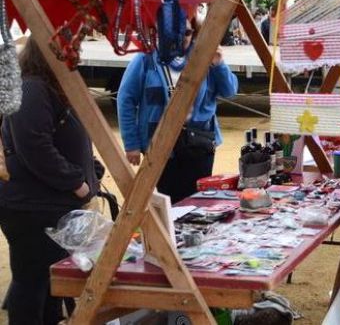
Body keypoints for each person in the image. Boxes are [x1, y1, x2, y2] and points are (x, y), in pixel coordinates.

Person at [0, 37, 99, 324]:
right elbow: (34, 145)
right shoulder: (32, 87)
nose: (76, 56)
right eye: (71, 50)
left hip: (47, 203)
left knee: (49, 282)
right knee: (32, 282)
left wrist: (91, 170)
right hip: (31, 207)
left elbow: (64, 137)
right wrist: (75, 180)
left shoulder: (47, 86)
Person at [118, 16, 238, 203]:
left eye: (187, 32)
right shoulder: (145, 59)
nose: (181, 37)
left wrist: (219, 65)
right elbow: (125, 100)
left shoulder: (204, 56)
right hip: (159, 143)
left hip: (199, 142)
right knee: (169, 201)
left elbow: (229, 91)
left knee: (199, 201)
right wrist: (131, 144)